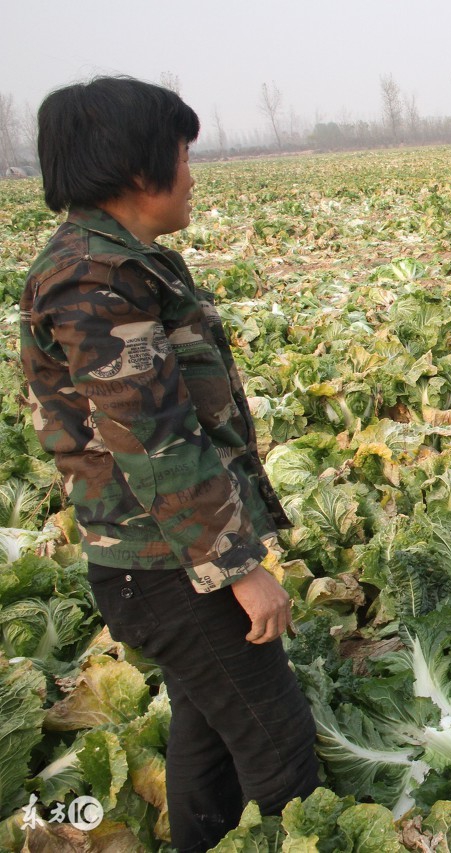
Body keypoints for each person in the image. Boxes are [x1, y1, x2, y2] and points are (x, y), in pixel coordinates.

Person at [20, 77, 318, 851]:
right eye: (183, 154)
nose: (193, 172)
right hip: (167, 568)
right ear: (136, 167)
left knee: (209, 740)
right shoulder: (94, 279)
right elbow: (154, 442)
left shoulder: (129, 263)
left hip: (165, 562)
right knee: (280, 754)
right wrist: (238, 566)